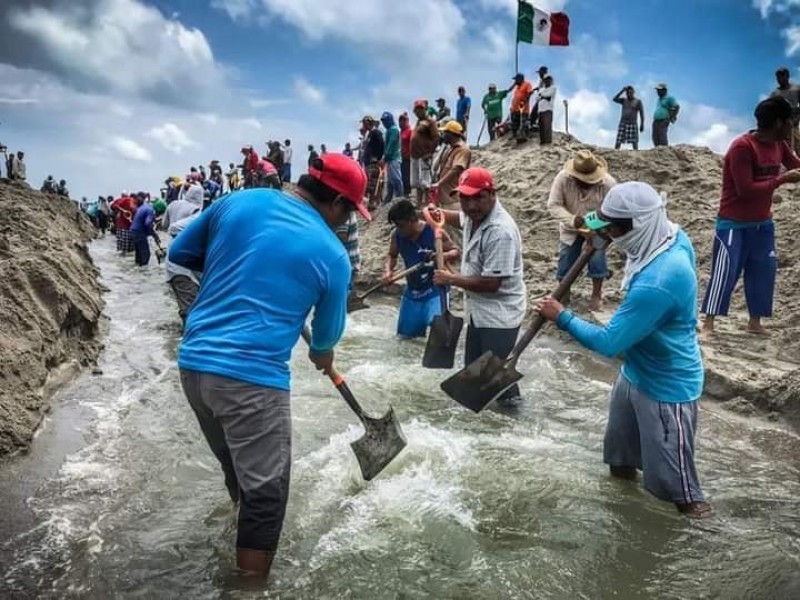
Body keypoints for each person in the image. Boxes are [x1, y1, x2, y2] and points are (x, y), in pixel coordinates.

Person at [169, 153, 370, 578]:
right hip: (251, 381)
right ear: (335, 201)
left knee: (238, 473)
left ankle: (235, 546)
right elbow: (328, 335)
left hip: (193, 367)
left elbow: (181, 251)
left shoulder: (240, 201)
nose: (348, 220)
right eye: (350, 210)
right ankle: (249, 587)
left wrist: (242, 267)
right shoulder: (333, 255)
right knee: (267, 496)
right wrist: (324, 354)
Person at [537, 182, 712, 518]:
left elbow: (609, 344)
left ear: (640, 226)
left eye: (616, 229)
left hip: (666, 390)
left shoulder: (660, 279)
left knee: (684, 496)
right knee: (620, 464)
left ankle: (707, 544)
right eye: (608, 226)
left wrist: (562, 318)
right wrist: (597, 231)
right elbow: (598, 223)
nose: (610, 235)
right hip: (633, 375)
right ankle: (623, 516)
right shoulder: (668, 234)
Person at [701, 97, 800, 336]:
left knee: (763, 270)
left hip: (762, 223)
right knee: (726, 271)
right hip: (733, 223)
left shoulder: (780, 144)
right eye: (790, 121)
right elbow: (745, 190)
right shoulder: (742, 148)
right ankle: (708, 323)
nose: (793, 126)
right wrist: (781, 180)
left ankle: (755, 322)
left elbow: (796, 164)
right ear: (778, 123)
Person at [431, 167, 527, 407]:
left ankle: (514, 424)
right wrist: (432, 213)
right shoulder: (474, 215)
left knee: (497, 382)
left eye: (478, 198)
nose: (471, 205)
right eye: (464, 198)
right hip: (478, 312)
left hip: (499, 316)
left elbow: (491, 283)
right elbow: (458, 218)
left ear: (492, 195)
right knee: (474, 374)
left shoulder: (500, 232)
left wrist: (450, 279)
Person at [547, 150, 617, 310]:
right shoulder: (563, 179)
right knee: (566, 258)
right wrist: (573, 220)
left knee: (597, 257)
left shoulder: (608, 184)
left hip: (597, 226)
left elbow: (614, 211)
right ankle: (563, 294)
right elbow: (554, 205)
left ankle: (597, 294)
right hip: (570, 226)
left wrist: (603, 229)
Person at [385, 200, 456, 338]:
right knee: (406, 339)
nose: (398, 229)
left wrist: (443, 255)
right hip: (413, 291)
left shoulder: (434, 231)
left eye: (401, 225)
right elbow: (392, 255)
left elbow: (455, 251)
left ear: (412, 220)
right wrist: (388, 271)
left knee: (438, 333)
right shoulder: (397, 235)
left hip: (435, 290)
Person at [166, 211, 202, 326]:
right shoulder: (199, 222)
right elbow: (172, 228)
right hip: (180, 270)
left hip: (179, 268)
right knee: (190, 309)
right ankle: (190, 338)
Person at [433, 121, 471, 210]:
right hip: (445, 196)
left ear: (451, 134)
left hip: (454, 198)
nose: (442, 135)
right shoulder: (451, 148)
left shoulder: (462, 149)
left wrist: (439, 183)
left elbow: (457, 168)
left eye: (445, 133)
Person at [410, 100, 441, 206]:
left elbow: (436, 137)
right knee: (417, 182)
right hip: (415, 156)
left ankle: (427, 203)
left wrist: (430, 152)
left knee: (425, 181)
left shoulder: (430, 121)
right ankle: (419, 202)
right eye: (417, 109)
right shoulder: (418, 122)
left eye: (421, 109)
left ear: (425, 109)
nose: (419, 111)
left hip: (424, 156)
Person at [770, 67, 800, 155]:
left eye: (783, 76)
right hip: (781, 122)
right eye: (778, 77)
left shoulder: (796, 89)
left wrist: (797, 117)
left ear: (787, 76)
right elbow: (771, 110)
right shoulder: (775, 94)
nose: (780, 79)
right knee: (784, 145)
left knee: (797, 143)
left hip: (794, 120)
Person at [360, 116, 385, 210]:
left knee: (373, 183)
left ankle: (373, 202)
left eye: (364, 123)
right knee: (369, 182)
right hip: (368, 162)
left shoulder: (376, 132)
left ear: (368, 123)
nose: (363, 125)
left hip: (373, 162)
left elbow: (382, 144)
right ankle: (370, 202)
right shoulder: (370, 134)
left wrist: (378, 157)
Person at [381, 111, 404, 203]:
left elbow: (391, 145)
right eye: (383, 121)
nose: (384, 123)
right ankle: (389, 197)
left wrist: (384, 157)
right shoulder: (389, 130)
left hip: (394, 157)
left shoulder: (394, 130)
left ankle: (400, 196)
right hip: (390, 158)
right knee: (390, 180)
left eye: (385, 121)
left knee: (396, 178)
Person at [130, 193, 158, 267]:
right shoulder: (150, 210)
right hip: (139, 233)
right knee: (146, 255)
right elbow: (148, 223)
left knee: (138, 255)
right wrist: (153, 234)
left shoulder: (141, 208)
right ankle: (144, 274)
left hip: (133, 231)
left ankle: (136, 272)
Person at [336, 211, 361, 293]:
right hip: (348, 262)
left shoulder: (341, 212)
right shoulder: (345, 208)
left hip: (345, 263)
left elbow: (341, 236)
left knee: (342, 295)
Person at [614, 86, 645, 150]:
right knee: (618, 140)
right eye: (627, 93)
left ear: (633, 92)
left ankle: (636, 154)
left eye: (630, 92)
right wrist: (622, 91)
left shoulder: (638, 101)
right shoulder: (624, 100)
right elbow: (614, 99)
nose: (629, 94)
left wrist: (642, 124)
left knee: (634, 141)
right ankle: (616, 151)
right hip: (623, 122)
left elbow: (641, 113)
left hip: (633, 123)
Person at [510, 73, 534, 142]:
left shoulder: (527, 84)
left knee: (523, 123)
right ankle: (514, 135)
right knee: (514, 123)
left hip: (523, 108)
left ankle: (525, 135)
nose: (515, 81)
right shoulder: (517, 88)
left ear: (520, 79)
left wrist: (524, 101)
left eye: (516, 80)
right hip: (515, 109)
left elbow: (530, 93)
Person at [537, 74, 556, 145]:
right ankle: (542, 141)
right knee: (541, 126)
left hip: (548, 109)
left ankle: (548, 141)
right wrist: (542, 96)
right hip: (540, 109)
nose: (547, 81)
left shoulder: (553, 88)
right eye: (546, 80)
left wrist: (542, 95)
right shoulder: (542, 89)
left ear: (551, 80)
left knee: (547, 125)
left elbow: (548, 95)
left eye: (549, 79)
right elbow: (538, 98)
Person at [399, 113, 412, 195]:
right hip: (401, 158)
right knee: (402, 177)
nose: (400, 122)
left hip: (407, 158)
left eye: (403, 120)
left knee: (406, 177)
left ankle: (407, 194)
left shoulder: (410, 131)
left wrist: (409, 154)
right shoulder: (401, 132)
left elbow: (412, 144)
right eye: (400, 120)